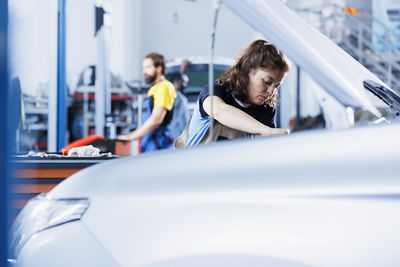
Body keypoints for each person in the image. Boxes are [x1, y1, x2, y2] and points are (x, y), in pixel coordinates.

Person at [175, 39, 290, 148]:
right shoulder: (215, 92)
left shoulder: (265, 110)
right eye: (267, 82)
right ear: (249, 71)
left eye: (276, 86)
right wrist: (268, 131)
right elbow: (219, 111)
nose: (270, 92)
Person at [119, 53, 177, 152]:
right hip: (148, 145)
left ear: (159, 68)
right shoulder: (153, 89)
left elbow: (156, 119)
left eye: (148, 67)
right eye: (143, 68)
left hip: (160, 147)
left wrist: (131, 136)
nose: (144, 71)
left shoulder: (164, 87)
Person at [166, 59, 190, 139]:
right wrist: (182, 67)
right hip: (176, 136)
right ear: (176, 81)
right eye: (183, 82)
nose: (185, 84)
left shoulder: (180, 96)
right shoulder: (175, 96)